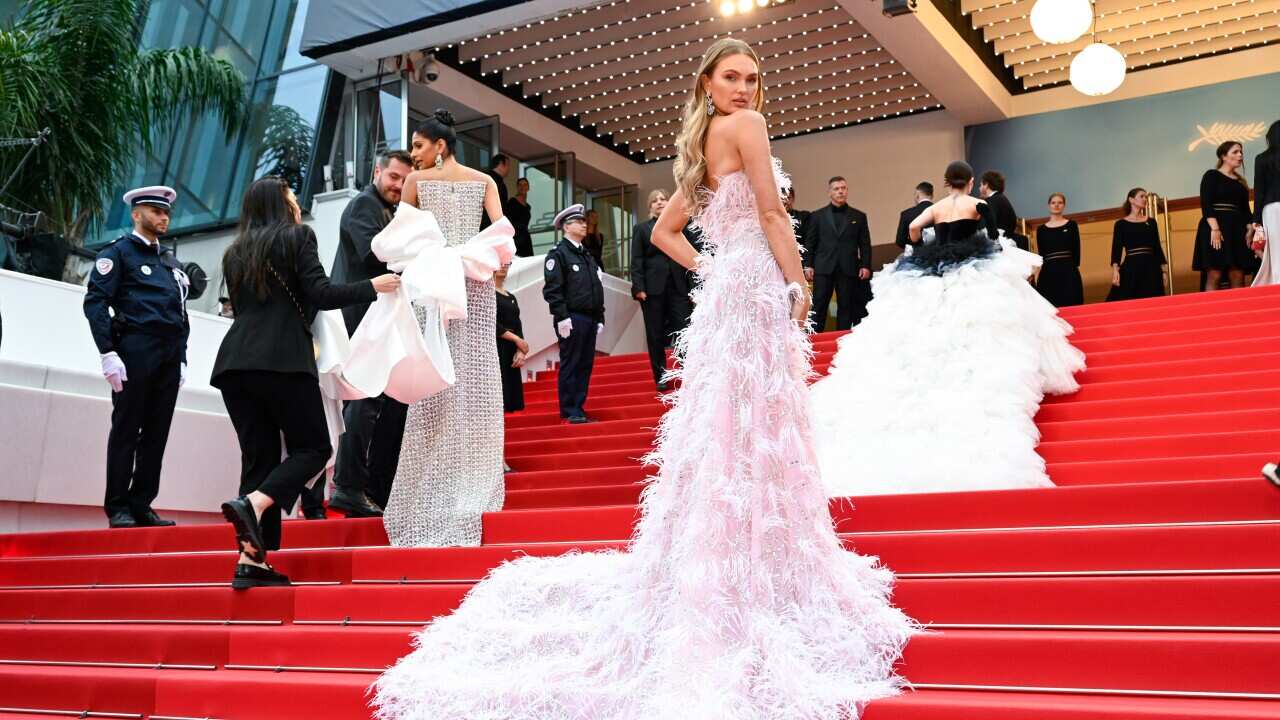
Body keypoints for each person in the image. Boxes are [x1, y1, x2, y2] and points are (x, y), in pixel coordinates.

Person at [372, 38, 914, 719]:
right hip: (752, 288)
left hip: (729, 292)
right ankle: (756, 567)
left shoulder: (707, 143)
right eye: (732, 77)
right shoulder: (744, 129)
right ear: (708, 83)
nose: (745, 89)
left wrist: (718, 268)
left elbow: (665, 233)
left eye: (752, 78)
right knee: (756, 423)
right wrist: (797, 281)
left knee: (731, 421)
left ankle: (727, 562)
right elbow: (773, 215)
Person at [810, 160, 1085, 498]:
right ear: (970, 182)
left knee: (933, 318)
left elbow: (913, 229)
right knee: (981, 317)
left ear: (946, 182)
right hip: (973, 266)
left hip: (935, 267)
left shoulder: (938, 206)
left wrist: (928, 245)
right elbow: (994, 236)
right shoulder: (978, 205)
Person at [213, 177, 400, 589]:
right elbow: (321, 292)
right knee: (314, 447)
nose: (297, 204)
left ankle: (252, 561)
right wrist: (373, 286)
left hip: (233, 365)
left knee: (258, 459)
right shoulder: (298, 237)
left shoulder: (235, 252)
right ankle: (255, 503)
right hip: (282, 360)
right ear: (280, 205)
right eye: (292, 198)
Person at [380, 110, 509, 548]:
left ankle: (445, 489)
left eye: (418, 146)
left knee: (450, 382)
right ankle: (460, 486)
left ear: (440, 145)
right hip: (469, 285)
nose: (413, 155)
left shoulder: (418, 185)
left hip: (437, 287)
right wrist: (497, 274)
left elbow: (402, 241)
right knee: (463, 384)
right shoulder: (485, 182)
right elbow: (504, 240)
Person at [83, 185, 189, 529]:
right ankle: (118, 505)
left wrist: (182, 357)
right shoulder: (118, 253)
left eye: (166, 213)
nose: (163, 218)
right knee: (127, 429)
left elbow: (180, 312)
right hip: (135, 349)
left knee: (157, 432)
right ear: (136, 214)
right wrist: (107, 353)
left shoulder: (170, 262)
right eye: (156, 211)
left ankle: (142, 502)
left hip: (169, 354)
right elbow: (96, 302)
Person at [326, 149, 414, 518]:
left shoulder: (391, 211)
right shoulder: (363, 206)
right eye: (393, 177)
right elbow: (374, 257)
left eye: (404, 180)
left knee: (389, 404)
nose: (398, 186)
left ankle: (374, 488)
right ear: (376, 171)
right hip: (359, 320)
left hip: (380, 321)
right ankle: (348, 486)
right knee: (363, 402)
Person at [543, 203, 605, 423]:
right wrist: (561, 317)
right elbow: (552, 290)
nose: (584, 224)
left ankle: (579, 408)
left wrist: (600, 317)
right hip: (572, 317)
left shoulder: (587, 256)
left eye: (583, 221)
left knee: (585, 365)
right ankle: (570, 410)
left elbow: (596, 288)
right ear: (566, 227)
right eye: (579, 222)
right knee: (572, 362)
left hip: (589, 317)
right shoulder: (559, 254)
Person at [631, 189, 693, 391]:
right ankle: (661, 376)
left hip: (679, 287)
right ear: (650, 207)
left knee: (685, 330)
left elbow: (690, 257)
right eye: (654, 200)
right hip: (652, 289)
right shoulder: (641, 229)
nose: (659, 202)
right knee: (655, 334)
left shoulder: (680, 227)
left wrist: (693, 289)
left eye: (663, 199)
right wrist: (638, 286)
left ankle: (689, 372)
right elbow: (637, 260)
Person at [803, 176, 871, 331]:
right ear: (829, 192)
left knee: (846, 307)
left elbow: (865, 243)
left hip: (848, 268)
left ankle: (842, 343)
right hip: (823, 268)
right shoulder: (817, 216)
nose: (840, 191)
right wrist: (808, 265)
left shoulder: (859, 216)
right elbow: (810, 243)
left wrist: (865, 265)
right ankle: (814, 342)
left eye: (843, 188)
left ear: (847, 191)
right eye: (836, 189)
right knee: (819, 307)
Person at [1193, 141, 1256, 291]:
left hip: (1237, 230)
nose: (1240, 155)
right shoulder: (1211, 175)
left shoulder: (1241, 183)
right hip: (1214, 228)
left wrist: (1249, 230)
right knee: (1214, 273)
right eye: (1235, 152)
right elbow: (1206, 204)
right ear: (1223, 156)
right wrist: (1215, 229)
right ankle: (1211, 312)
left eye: (1241, 152)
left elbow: (1246, 211)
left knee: (1238, 274)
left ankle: (1240, 313)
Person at [1110, 188, 1168, 300]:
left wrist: (1163, 271)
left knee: (1154, 301)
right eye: (1141, 196)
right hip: (1131, 268)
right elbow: (1116, 249)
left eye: (1146, 197)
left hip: (1151, 268)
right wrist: (1115, 271)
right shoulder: (1120, 224)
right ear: (1131, 200)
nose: (1145, 199)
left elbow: (1156, 247)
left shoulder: (1151, 222)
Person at [1036, 193, 1084, 307]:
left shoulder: (1072, 225)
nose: (1056, 205)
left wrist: (1072, 267)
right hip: (1048, 273)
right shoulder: (1041, 229)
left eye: (1060, 202)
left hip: (1069, 270)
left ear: (1064, 205)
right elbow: (1041, 254)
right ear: (1049, 206)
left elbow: (1076, 250)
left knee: (1072, 302)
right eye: (1053, 203)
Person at [495, 262, 527, 412]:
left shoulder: (511, 296)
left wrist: (520, 350)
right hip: (496, 347)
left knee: (511, 401)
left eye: (507, 263)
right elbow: (491, 323)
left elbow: (517, 323)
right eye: (500, 263)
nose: (504, 266)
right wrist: (516, 339)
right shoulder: (486, 294)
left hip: (511, 349)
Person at [1254, 121, 1280, 286]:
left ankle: (1277, 282)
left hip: (1271, 208)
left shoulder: (1262, 158)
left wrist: (1256, 219)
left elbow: (1259, 190)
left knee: (1276, 249)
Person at [979, 170, 1028, 251]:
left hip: (1000, 246)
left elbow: (989, 226)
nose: (979, 188)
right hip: (1009, 243)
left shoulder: (991, 201)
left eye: (980, 185)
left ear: (986, 185)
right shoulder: (1002, 198)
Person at [895, 181, 933, 250]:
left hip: (917, 256)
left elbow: (900, 241)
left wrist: (914, 245)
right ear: (932, 195)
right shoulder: (941, 210)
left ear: (917, 195)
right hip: (939, 255)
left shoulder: (906, 214)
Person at [506, 176, 534, 257]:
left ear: (528, 187)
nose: (523, 187)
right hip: (516, 238)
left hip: (526, 238)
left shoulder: (528, 206)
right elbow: (508, 221)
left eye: (525, 185)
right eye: (520, 185)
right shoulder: (512, 203)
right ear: (517, 187)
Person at [783, 185, 809, 250]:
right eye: (782, 198)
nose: (785, 201)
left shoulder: (804, 217)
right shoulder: (771, 219)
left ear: (793, 199)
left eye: (788, 198)